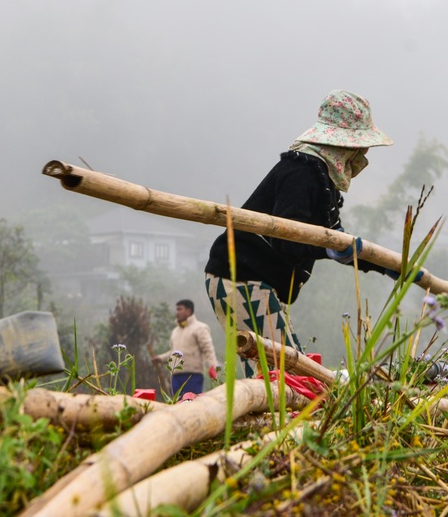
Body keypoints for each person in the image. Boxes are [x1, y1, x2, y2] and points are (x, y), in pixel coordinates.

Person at [204, 89, 401, 376]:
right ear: (345, 146)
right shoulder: (301, 172)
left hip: (261, 283)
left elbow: (333, 237)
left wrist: (387, 266)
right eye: (361, 147)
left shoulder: (321, 176)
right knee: (284, 377)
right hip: (242, 279)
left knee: (283, 372)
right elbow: (290, 242)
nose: (364, 155)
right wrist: (332, 248)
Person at [151, 299, 219, 396]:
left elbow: (208, 349)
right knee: (176, 406)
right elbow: (173, 352)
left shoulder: (200, 328)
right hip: (175, 376)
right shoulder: (175, 331)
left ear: (188, 310)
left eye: (180, 309)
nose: (177, 312)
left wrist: (213, 367)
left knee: (191, 403)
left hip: (193, 375)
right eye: (177, 310)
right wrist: (160, 358)